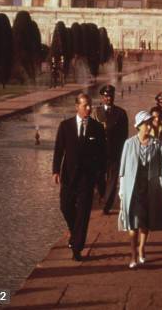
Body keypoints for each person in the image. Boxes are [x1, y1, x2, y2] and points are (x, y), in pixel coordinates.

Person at [52, 93, 106, 261]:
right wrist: (55, 171)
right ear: (77, 107)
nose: (89, 108)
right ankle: (74, 231)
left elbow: (102, 155)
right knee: (65, 206)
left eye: (90, 105)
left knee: (83, 214)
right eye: (85, 106)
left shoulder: (97, 128)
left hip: (87, 179)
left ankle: (77, 247)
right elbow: (59, 150)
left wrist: (100, 178)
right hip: (69, 176)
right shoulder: (65, 126)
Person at [118, 110, 162, 268]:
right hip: (132, 188)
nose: (149, 126)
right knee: (133, 223)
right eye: (146, 124)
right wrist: (121, 188)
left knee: (145, 221)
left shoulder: (157, 143)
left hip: (150, 188)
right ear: (139, 126)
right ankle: (133, 252)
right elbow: (123, 167)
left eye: (150, 123)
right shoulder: (129, 143)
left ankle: (142, 248)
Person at [93, 85, 129, 214]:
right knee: (99, 178)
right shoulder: (96, 112)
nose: (109, 98)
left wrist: (124, 152)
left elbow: (124, 135)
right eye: (106, 96)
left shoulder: (121, 113)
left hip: (115, 152)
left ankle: (107, 205)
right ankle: (103, 195)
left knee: (112, 180)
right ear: (102, 97)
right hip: (99, 153)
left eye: (111, 96)